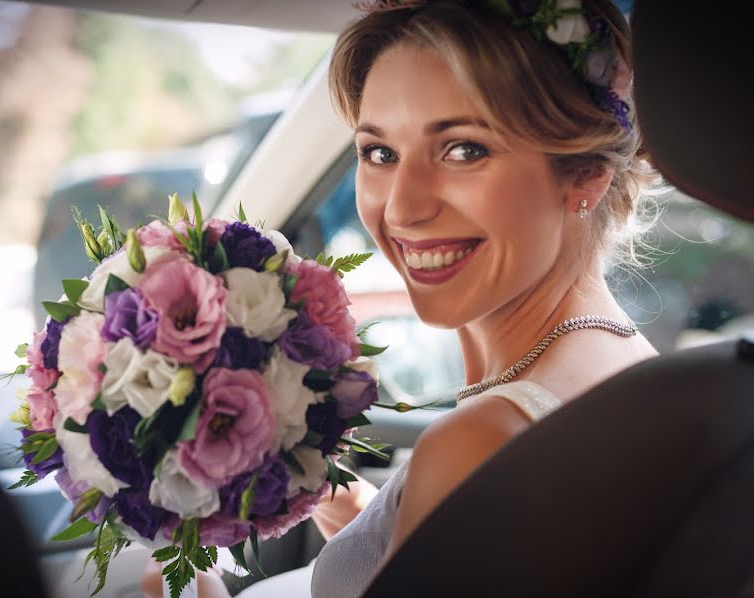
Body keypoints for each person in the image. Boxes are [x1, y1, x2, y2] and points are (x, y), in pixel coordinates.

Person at [142, 0, 659, 595]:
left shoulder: (478, 443)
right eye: (380, 153)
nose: (402, 208)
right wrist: (369, 514)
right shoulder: (633, 367)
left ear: (587, 173)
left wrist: (182, 587)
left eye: (464, 149)